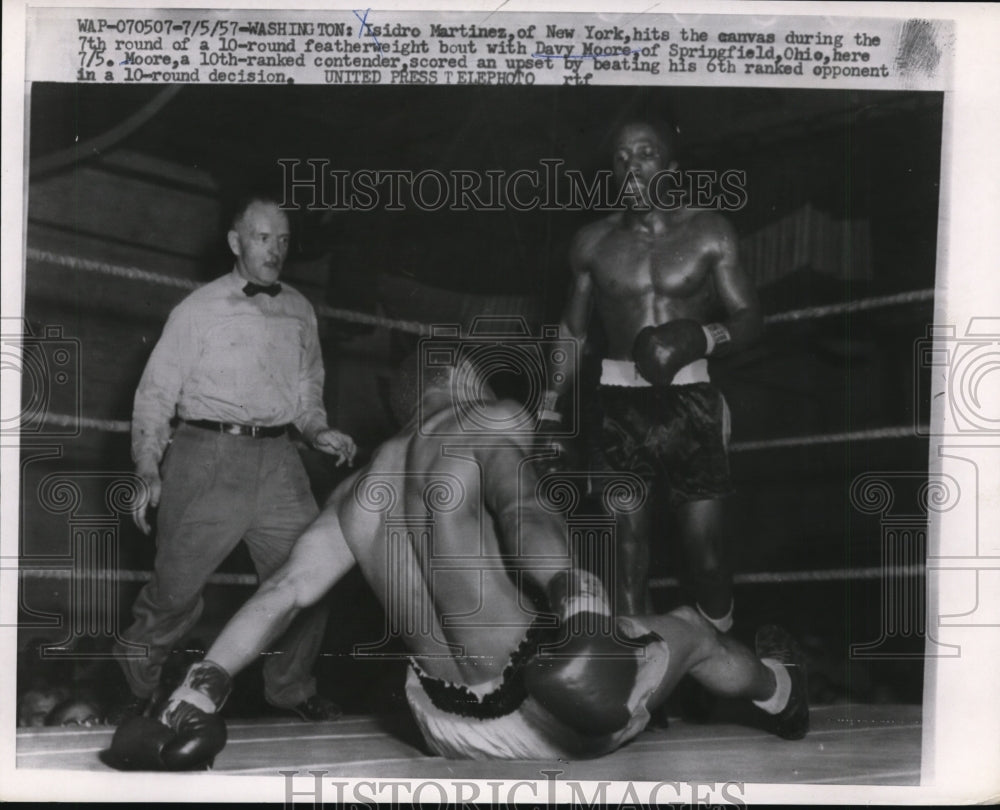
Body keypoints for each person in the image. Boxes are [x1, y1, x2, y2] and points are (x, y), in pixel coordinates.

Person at [107, 352, 807, 770]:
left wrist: (198, 692)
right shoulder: (488, 420)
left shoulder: (358, 492)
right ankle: (782, 691)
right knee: (693, 628)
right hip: (547, 714)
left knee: (586, 637)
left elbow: (283, 592)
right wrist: (581, 603)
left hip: (443, 729)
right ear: (463, 378)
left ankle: (188, 698)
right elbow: (526, 511)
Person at [111, 193, 357, 723]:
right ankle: (136, 686)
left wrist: (318, 430)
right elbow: (155, 393)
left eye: (283, 240)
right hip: (207, 456)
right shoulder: (198, 309)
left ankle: (291, 688)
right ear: (235, 242)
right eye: (263, 238)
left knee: (312, 576)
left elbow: (307, 391)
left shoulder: (300, 309)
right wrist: (147, 466)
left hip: (280, 462)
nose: (275, 250)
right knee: (174, 591)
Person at [543, 118, 763, 625]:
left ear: (671, 167)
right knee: (626, 559)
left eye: (645, 154)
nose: (633, 167)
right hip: (618, 406)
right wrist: (549, 409)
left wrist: (699, 338)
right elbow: (572, 331)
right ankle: (642, 670)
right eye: (622, 158)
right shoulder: (592, 243)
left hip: (693, 401)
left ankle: (720, 651)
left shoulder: (709, 230)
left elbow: (750, 317)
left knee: (707, 558)